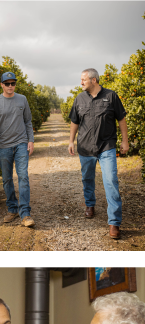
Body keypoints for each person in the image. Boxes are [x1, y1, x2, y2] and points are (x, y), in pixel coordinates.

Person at [68, 68, 128, 240]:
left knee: (110, 181)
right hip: (85, 147)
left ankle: (114, 222)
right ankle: (90, 204)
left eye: (83, 79)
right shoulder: (79, 98)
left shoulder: (111, 96)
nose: (81, 82)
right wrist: (71, 141)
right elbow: (74, 121)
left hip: (106, 146)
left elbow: (121, 119)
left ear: (94, 80)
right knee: (87, 178)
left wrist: (125, 141)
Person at [0, 72, 35, 228]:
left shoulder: (22, 99)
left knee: (23, 176)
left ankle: (25, 214)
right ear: (2, 85)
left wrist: (31, 140)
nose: (10, 86)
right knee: (7, 180)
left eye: (13, 83)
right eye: (7, 83)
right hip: (3, 146)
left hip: (21, 143)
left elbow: (28, 121)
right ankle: (12, 209)